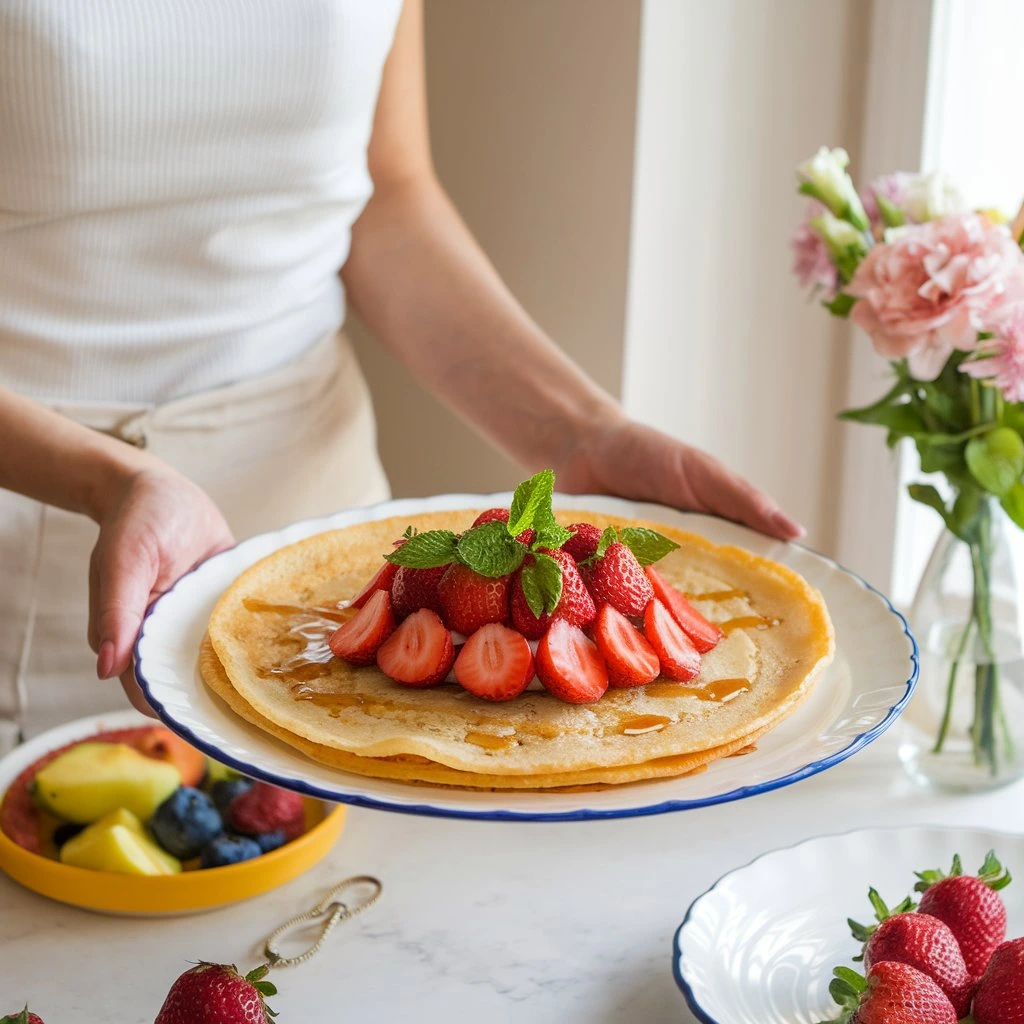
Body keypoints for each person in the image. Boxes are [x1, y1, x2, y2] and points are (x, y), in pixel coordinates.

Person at [0, 1, 801, 750]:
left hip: (319, 521)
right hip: (38, 524)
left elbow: (383, 198)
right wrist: (109, 480)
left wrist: (579, 433)